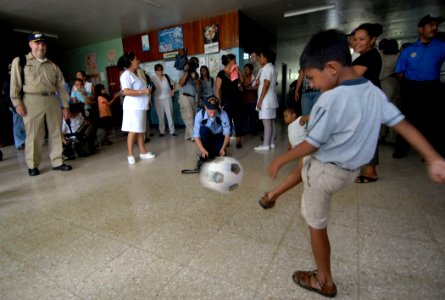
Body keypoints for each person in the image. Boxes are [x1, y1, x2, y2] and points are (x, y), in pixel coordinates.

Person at [267, 29, 445, 298]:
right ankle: (273, 195)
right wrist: (433, 157)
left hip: (325, 172)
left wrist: (281, 157)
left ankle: (323, 280)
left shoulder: (330, 99)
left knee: (316, 224)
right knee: (305, 167)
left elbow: (312, 144)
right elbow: (402, 123)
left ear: (332, 68)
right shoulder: (372, 91)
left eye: (313, 78)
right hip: (349, 172)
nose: (312, 85)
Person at [10, 31, 72, 176]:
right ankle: (32, 165)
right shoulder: (20, 62)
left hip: (52, 99)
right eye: (37, 43)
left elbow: (61, 87)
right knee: (34, 134)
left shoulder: (53, 66)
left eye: (43, 43)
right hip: (31, 100)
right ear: (30, 44)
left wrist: (66, 105)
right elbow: (15, 84)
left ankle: (57, 161)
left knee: (56, 132)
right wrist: (17, 103)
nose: (40, 47)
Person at [394, 15, 445, 158]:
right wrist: (408, 85)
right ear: (420, 29)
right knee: (408, 119)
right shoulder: (408, 51)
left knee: (433, 120)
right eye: (430, 25)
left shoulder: (441, 46)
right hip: (412, 88)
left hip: (432, 87)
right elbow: (399, 71)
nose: (434, 28)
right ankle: (401, 149)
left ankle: (432, 152)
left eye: (436, 25)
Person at [352, 23, 383, 183]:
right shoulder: (367, 55)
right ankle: (366, 167)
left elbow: (351, 77)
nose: (356, 42)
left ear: (372, 39)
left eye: (362, 39)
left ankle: (371, 171)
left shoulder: (369, 56)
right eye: (355, 38)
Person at [259, 106, 306, 209]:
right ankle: (273, 194)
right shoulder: (290, 126)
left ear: (294, 115)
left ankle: (273, 194)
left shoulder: (299, 120)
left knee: (299, 171)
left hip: (305, 149)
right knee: (300, 171)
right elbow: (292, 136)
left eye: (286, 116)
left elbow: (308, 118)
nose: (284, 118)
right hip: (300, 151)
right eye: (283, 117)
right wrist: (290, 144)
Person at [117, 52, 155, 164]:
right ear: (130, 62)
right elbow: (125, 91)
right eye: (136, 59)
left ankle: (143, 152)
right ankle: (130, 154)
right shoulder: (126, 75)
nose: (138, 61)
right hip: (133, 107)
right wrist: (143, 91)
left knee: (140, 131)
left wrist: (147, 91)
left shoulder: (136, 73)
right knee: (133, 130)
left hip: (140, 106)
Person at [215, 54, 244, 148]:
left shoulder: (234, 72)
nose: (235, 62)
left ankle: (238, 141)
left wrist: (239, 71)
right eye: (234, 60)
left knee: (238, 120)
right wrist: (218, 103)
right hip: (226, 101)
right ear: (229, 61)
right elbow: (217, 89)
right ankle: (226, 141)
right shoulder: (221, 74)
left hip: (237, 100)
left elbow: (242, 81)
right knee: (226, 121)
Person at [193, 97, 230, 164]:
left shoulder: (223, 113)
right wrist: (202, 150)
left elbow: (227, 134)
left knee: (219, 154)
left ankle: (217, 150)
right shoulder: (199, 115)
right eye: (210, 112)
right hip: (207, 136)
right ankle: (206, 151)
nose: (212, 114)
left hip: (218, 136)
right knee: (203, 130)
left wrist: (223, 148)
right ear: (205, 107)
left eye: (214, 111)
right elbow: (196, 136)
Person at [254, 49, 278, 151]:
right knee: (271, 122)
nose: (259, 58)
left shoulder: (267, 68)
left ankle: (265, 145)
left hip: (266, 100)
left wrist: (260, 100)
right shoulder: (272, 68)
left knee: (266, 124)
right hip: (272, 99)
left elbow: (266, 84)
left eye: (261, 56)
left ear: (266, 57)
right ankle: (271, 143)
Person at [3, 64, 25, 150]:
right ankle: (20, 142)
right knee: (18, 123)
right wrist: (13, 105)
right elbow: (7, 94)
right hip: (14, 104)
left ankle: (26, 141)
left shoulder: (20, 77)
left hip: (23, 102)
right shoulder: (8, 79)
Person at [151, 64, 176, 137]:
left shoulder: (166, 77)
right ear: (155, 71)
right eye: (158, 70)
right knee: (160, 116)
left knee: (169, 115)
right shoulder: (152, 78)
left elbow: (174, 83)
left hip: (168, 98)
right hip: (158, 99)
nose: (160, 71)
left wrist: (173, 90)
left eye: (161, 70)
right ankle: (162, 131)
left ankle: (172, 131)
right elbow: (149, 87)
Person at [179, 56, 200, 141]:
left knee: (190, 116)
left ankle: (188, 135)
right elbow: (181, 83)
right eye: (194, 62)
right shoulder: (182, 71)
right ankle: (193, 136)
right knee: (189, 116)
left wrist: (194, 77)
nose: (195, 64)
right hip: (184, 96)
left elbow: (199, 83)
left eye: (196, 63)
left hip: (192, 97)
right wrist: (187, 72)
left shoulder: (195, 72)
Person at [242, 63, 259, 135]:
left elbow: (257, 88)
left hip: (252, 100)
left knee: (252, 116)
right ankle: (246, 130)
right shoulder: (243, 78)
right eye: (245, 70)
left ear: (251, 70)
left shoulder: (254, 78)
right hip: (244, 100)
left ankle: (253, 130)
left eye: (247, 69)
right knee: (245, 116)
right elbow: (242, 87)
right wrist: (248, 86)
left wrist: (249, 88)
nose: (245, 71)